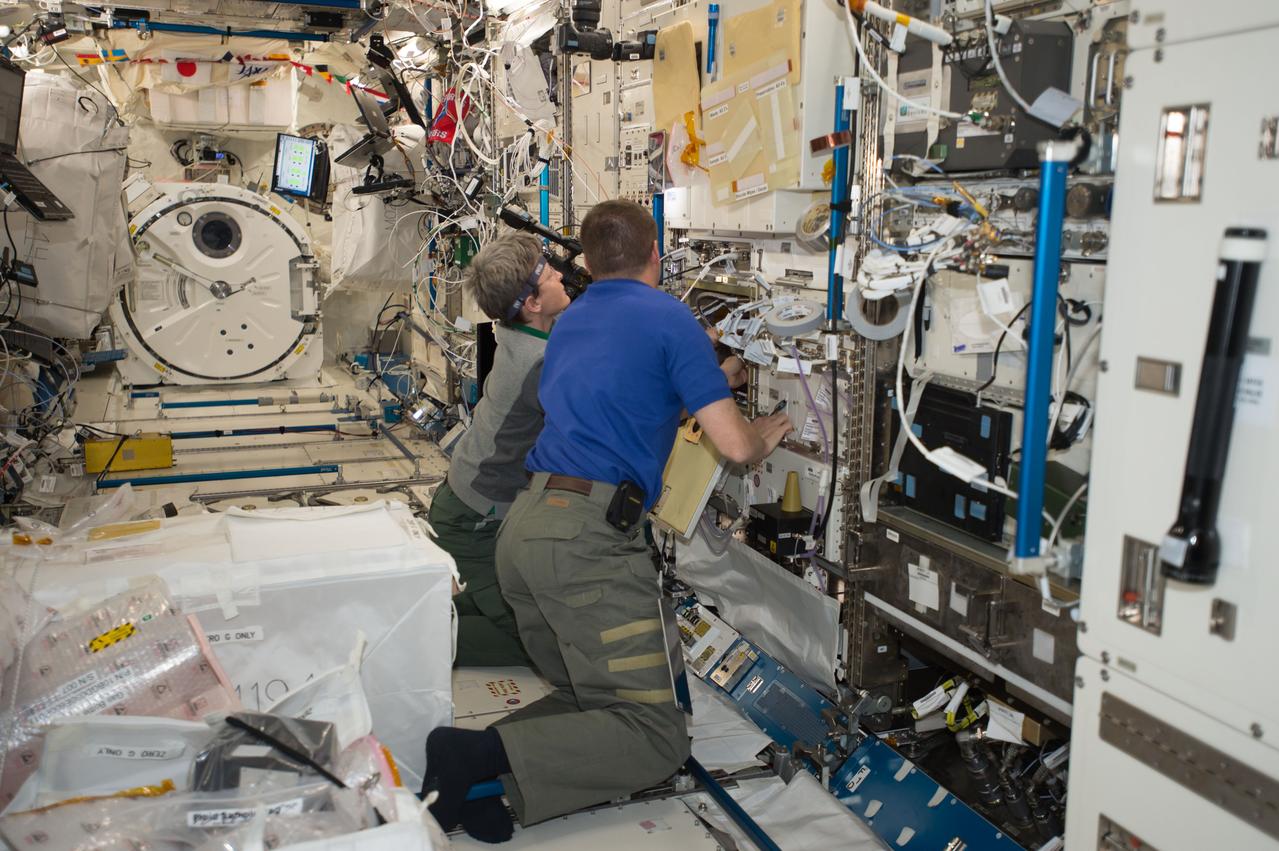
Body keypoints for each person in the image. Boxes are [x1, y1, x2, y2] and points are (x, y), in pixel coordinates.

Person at [421, 200, 792, 842]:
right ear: (656, 254)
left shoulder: (573, 321)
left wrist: (711, 374)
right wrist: (759, 435)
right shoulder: (671, 319)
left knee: (588, 698)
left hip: (525, 531)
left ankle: (478, 785)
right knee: (654, 735)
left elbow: (631, 385)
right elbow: (733, 447)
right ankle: (474, 755)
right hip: (585, 542)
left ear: (587, 264)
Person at [426, 230, 569, 668]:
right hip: (475, 522)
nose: (562, 275)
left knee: (490, 605)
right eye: (550, 273)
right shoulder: (539, 364)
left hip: (466, 503)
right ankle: (408, 645)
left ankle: (417, 616)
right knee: (540, 647)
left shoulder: (518, 333)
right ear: (532, 304)